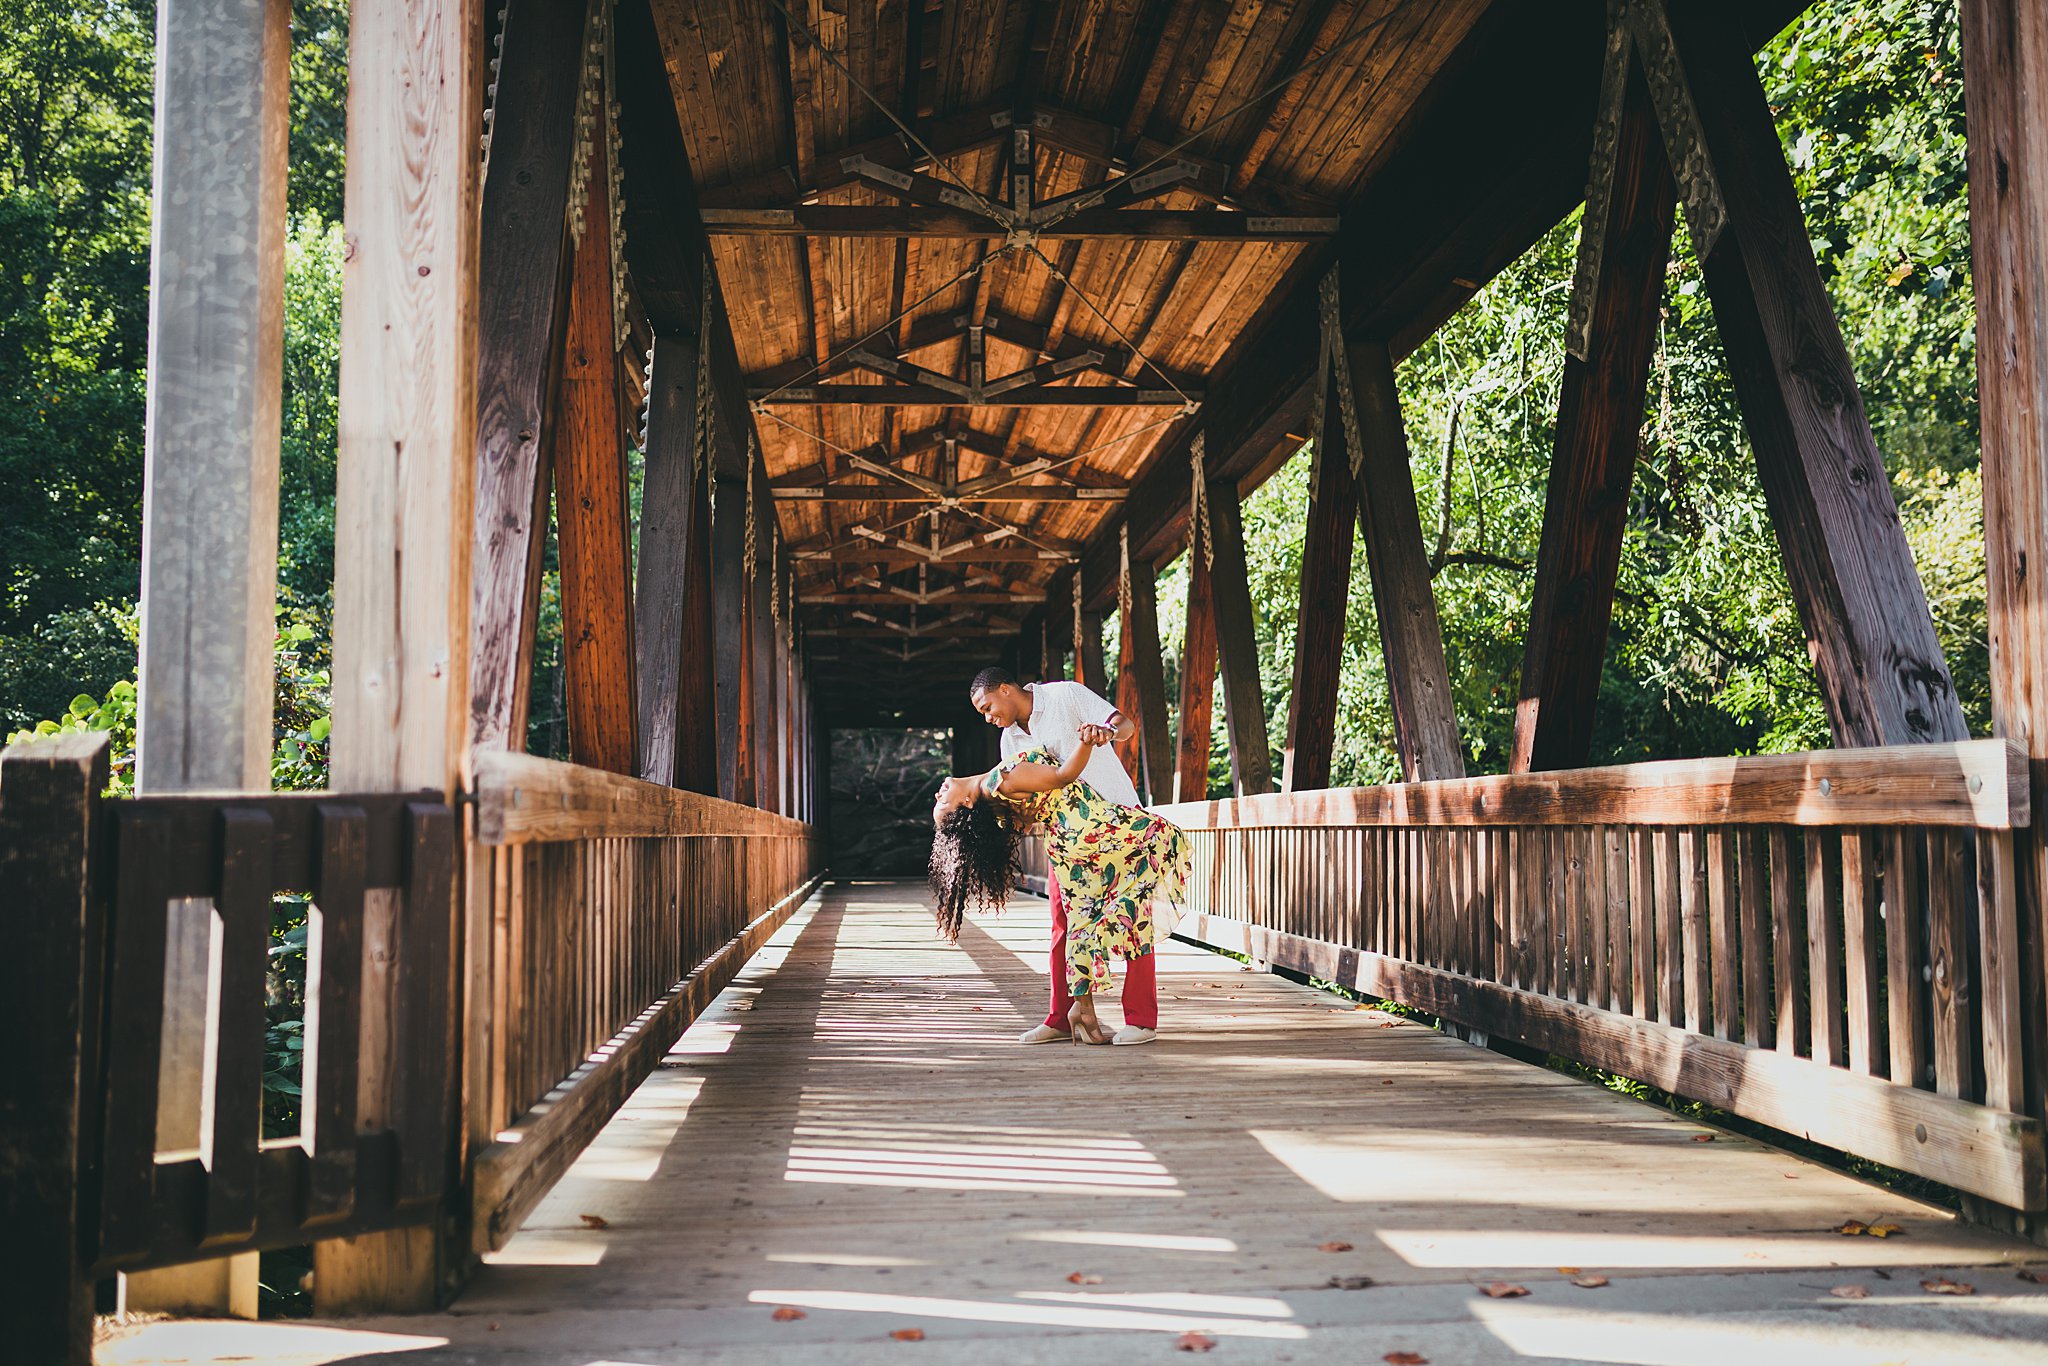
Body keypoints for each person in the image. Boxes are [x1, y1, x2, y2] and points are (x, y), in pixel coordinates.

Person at [929, 729, 1189, 1045]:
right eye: (943, 802)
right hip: (1093, 828)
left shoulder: (1000, 793)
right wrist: (1086, 742)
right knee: (1159, 846)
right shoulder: (1004, 778)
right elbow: (1064, 775)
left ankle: (1083, 1010)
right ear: (968, 803)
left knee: (1080, 926)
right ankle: (1129, 1017)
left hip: (1065, 846)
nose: (937, 794)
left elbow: (1031, 815)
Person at [967, 666, 1160, 1046]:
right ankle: (1059, 1018)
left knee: (1134, 920)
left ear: (1006, 690)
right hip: (1066, 839)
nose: (989, 718)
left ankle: (1141, 1021)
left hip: (1117, 821)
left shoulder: (1065, 695)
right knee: (1062, 926)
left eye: (988, 707)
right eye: (983, 715)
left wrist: (1106, 733)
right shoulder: (1010, 742)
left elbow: (1125, 725)